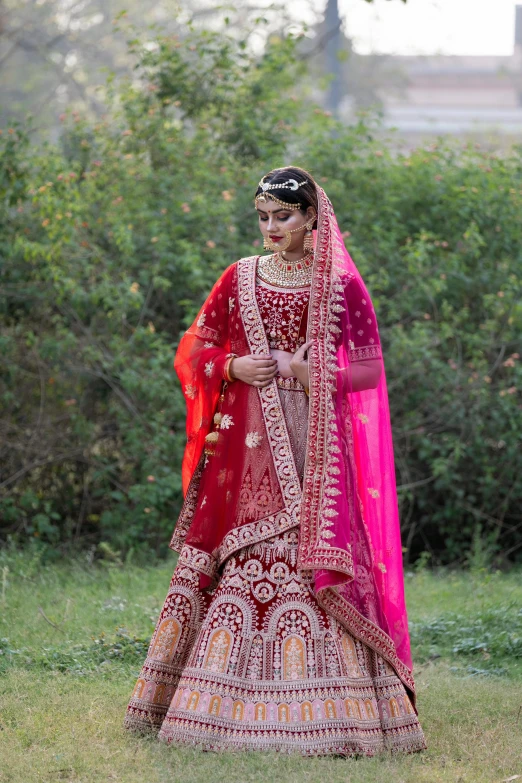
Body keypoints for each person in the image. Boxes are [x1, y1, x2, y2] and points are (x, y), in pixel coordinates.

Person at [124, 166, 427, 756]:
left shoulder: (340, 285)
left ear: (312, 216)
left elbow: (368, 370)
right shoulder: (238, 278)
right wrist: (234, 367)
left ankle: (339, 713)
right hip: (247, 450)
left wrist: (313, 373)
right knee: (242, 557)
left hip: (319, 453)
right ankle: (209, 706)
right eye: (262, 217)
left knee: (308, 560)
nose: (270, 228)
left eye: (282, 217)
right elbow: (194, 348)